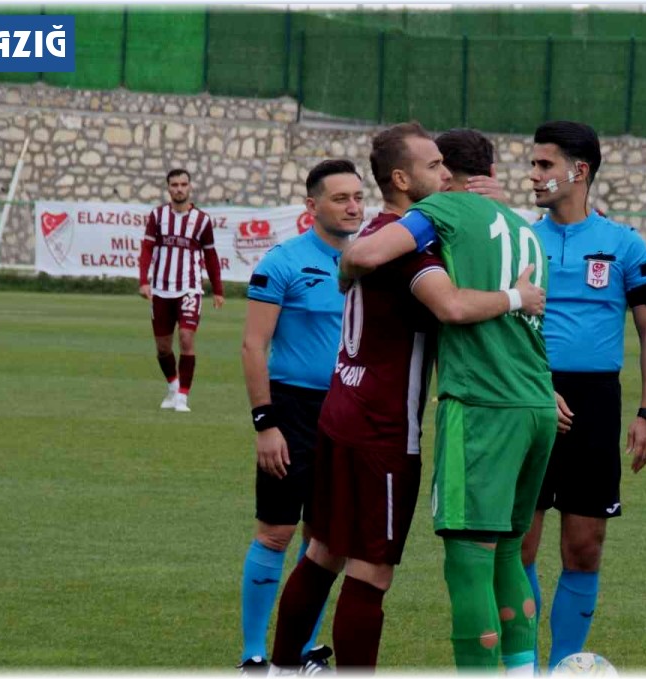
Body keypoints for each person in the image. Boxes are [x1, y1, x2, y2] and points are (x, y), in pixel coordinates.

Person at [268, 123, 544, 673]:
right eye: (434, 166)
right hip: (383, 428)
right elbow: (452, 308)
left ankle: (277, 667)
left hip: (341, 408)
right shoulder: (416, 247)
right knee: (372, 571)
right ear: (402, 178)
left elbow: (355, 261)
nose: (446, 175)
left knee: (324, 551)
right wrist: (519, 295)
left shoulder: (377, 231)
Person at [523, 120, 646, 671]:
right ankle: (523, 663)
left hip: (596, 403)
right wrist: (536, 388)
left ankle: (563, 665)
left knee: (584, 545)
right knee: (523, 545)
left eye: (544, 165)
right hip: (530, 395)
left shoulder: (624, 243)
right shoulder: (520, 238)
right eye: (533, 164)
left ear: (578, 171)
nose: (534, 175)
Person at [234, 159, 362, 673]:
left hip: (348, 411)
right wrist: (266, 425)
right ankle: (253, 656)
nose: (352, 206)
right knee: (276, 532)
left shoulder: (371, 261)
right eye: (340, 198)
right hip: (291, 410)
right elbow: (252, 345)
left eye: (357, 197)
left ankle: (304, 649)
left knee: (326, 539)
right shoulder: (282, 262)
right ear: (312, 208)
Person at [137, 169, 224, 413]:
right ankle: (173, 386)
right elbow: (146, 250)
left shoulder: (202, 220)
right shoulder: (157, 216)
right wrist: (144, 281)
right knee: (163, 347)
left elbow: (210, 255)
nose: (179, 189)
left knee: (186, 338)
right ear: (168, 189)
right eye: (174, 185)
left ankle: (183, 397)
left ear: (190, 187)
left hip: (189, 288)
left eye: (183, 184)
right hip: (161, 290)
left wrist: (218, 290)